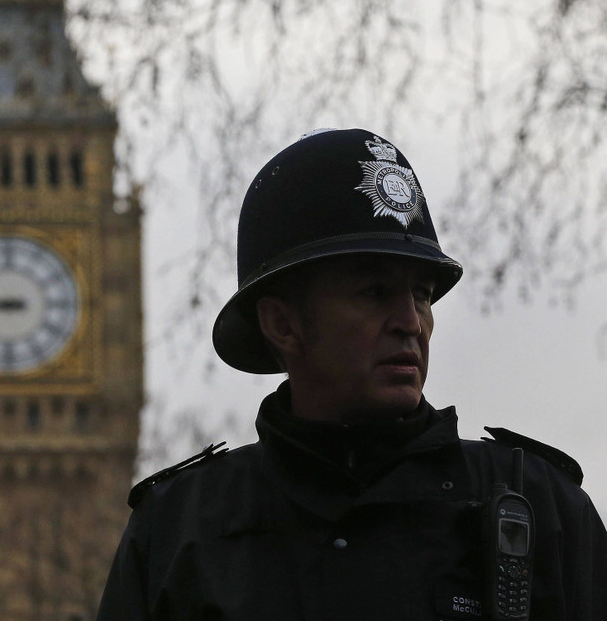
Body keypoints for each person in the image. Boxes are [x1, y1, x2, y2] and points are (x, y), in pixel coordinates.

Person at [96, 129, 607, 620]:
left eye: (422, 295)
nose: (411, 323)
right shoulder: (178, 531)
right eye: (375, 293)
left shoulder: (541, 510)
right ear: (282, 323)